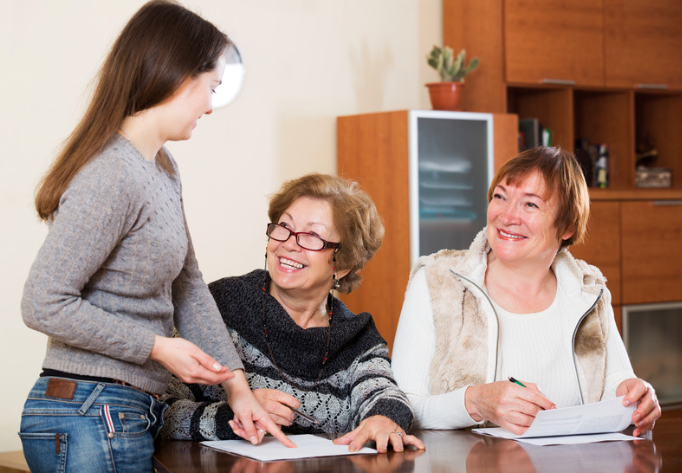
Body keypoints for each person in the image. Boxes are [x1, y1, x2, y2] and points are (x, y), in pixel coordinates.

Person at [19, 2, 291, 472]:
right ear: (178, 76)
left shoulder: (163, 169)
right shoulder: (110, 172)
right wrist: (157, 347)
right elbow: (43, 301)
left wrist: (237, 389)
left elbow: (188, 286)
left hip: (124, 410)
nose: (209, 105)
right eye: (211, 89)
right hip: (88, 410)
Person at [391, 146, 661, 437]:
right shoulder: (437, 282)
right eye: (500, 197)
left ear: (568, 225)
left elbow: (615, 380)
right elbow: (400, 407)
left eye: (530, 204)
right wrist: (476, 402)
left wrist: (634, 395)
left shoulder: (588, 289)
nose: (507, 217)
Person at [161, 173, 425, 453]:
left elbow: (383, 394)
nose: (289, 243)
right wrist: (233, 417)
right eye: (284, 226)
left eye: (312, 235)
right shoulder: (218, 306)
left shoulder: (357, 337)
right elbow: (157, 412)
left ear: (344, 263)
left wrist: (384, 420)